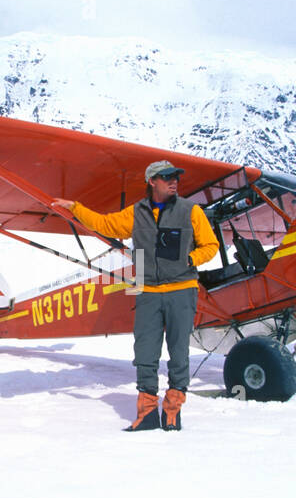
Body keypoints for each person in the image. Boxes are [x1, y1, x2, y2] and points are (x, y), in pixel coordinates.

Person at [53, 160, 219, 431]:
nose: (173, 181)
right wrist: (76, 208)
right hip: (145, 290)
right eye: (166, 177)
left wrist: (190, 258)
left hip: (181, 289)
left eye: (175, 176)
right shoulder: (136, 212)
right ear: (152, 182)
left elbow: (210, 245)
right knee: (144, 353)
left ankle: (173, 411)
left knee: (179, 353)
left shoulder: (191, 210)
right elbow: (105, 224)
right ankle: (147, 413)